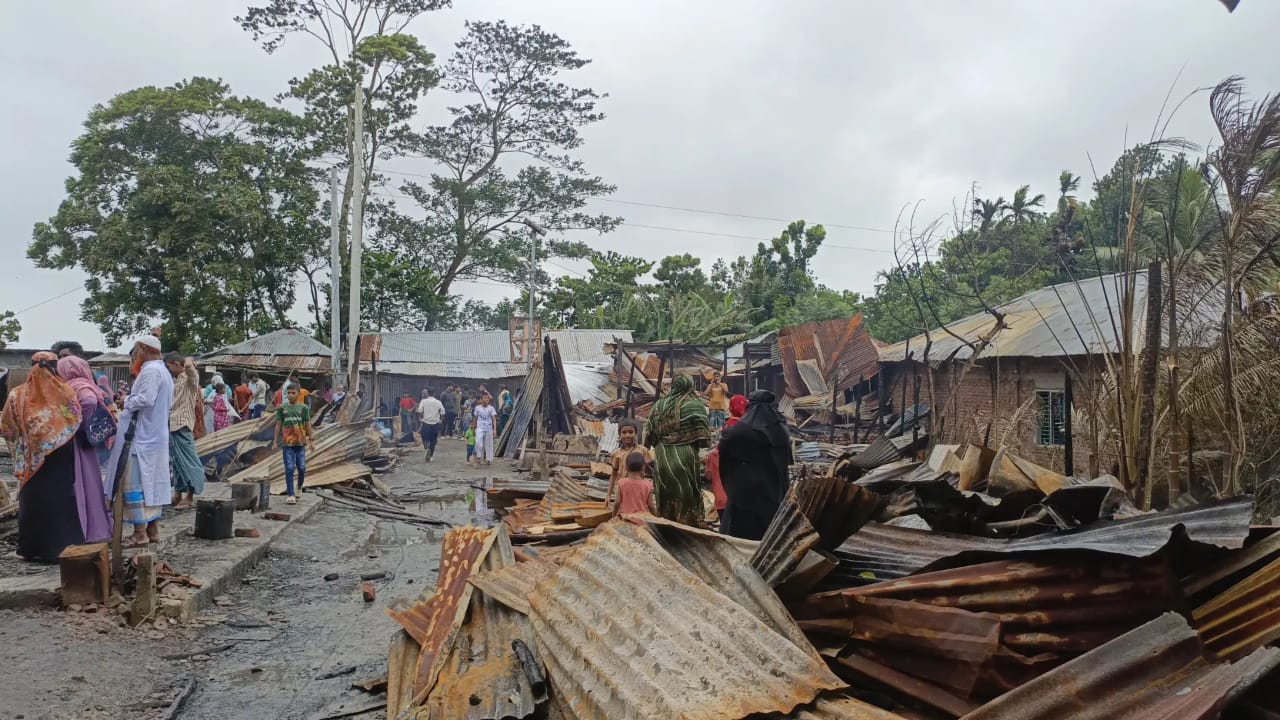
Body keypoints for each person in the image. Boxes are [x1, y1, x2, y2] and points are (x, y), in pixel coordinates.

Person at [0, 353, 95, 561]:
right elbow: (76, 417)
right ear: (55, 367)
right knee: (62, 498)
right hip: (61, 454)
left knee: (33, 499)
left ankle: (32, 548)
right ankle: (64, 545)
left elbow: (7, 428)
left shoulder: (17, 394)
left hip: (32, 458)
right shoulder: (65, 391)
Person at [107, 335, 174, 548]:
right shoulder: (163, 370)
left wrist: (126, 400)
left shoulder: (151, 370)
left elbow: (145, 399)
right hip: (153, 436)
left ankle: (139, 533)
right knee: (151, 485)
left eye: (136, 350)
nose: (135, 355)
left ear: (143, 348)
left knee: (135, 484)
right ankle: (152, 530)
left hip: (142, 439)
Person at [719, 389, 792, 541]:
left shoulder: (738, 431)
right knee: (770, 532)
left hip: (745, 493)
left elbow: (725, 460)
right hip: (774, 489)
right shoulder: (781, 428)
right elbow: (786, 460)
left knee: (742, 534)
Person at [53, 355, 112, 542]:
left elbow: (88, 402)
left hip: (79, 441)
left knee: (83, 482)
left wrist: (77, 424)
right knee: (90, 482)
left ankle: (89, 529)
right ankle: (94, 526)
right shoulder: (85, 382)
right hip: (87, 442)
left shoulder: (77, 385)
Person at [645, 374, 712, 524]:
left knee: (665, 488)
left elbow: (649, 431)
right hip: (685, 454)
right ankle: (688, 521)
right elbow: (703, 434)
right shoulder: (694, 404)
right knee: (686, 488)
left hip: (662, 455)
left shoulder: (659, 404)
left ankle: (667, 521)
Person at [164, 353, 203, 510]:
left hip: (182, 425)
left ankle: (190, 496)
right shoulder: (174, 381)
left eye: (169, 366)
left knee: (189, 461)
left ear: (176, 364)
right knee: (177, 462)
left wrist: (188, 358)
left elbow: (188, 366)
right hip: (172, 424)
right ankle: (178, 493)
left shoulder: (190, 379)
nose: (167, 369)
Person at [705, 394, 749, 516]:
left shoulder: (727, 425)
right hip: (738, 494)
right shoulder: (745, 426)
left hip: (721, 498)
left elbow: (708, 476)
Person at [274, 386, 314, 505]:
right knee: (289, 468)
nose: (291, 395)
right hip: (287, 443)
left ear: (298, 394)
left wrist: (312, 440)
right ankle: (290, 494)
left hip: (300, 443)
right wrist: (275, 441)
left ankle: (299, 486)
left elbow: (308, 424)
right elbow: (278, 425)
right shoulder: (282, 408)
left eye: (293, 392)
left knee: (302, 467)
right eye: (289, 393)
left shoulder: (303, 408)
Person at [607, 419, 653, 508]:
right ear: (619, 435)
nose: (627, 435)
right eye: (624, 432)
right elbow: (613, 474)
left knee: (637, 512)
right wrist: (608, 494)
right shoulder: (616, 453)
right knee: (621, 512)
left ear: (636, 434)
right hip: (621, 488)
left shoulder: (642, 450)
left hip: (638, 488)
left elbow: (651, 470)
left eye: (631, 432)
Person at [614, 451, 655, 521]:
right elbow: (651, 505)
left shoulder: (622, 483)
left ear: (626, 468)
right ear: (643, 468)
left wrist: (613, 515)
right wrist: (655, 517)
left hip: (626, 520)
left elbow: (617, 502)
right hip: (641, 521)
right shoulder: (648, 485)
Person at [417, 388, 445, 462]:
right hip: (435, 424)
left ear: (428, 393)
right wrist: (441, 420)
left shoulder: (423, 401)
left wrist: (420, 418)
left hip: (426, 423)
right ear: (434, 393)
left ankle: (427, 448)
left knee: (424, 438)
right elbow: (442, 411)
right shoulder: (438, 402)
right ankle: (431, 456)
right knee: (433, 440)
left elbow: (419, 410)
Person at [473, 394, 498, 466]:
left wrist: (494, 429)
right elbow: (475, 419)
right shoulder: (477, 408)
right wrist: (473, 429)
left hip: (489, 428)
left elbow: (494, 419)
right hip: (479, 428)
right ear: (481, 399)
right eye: (484, 398)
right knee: (478, 443)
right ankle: (478, 458)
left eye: (487, 398)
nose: (486, 399)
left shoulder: (491, 408)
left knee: (489, 444)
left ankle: (488, 459)